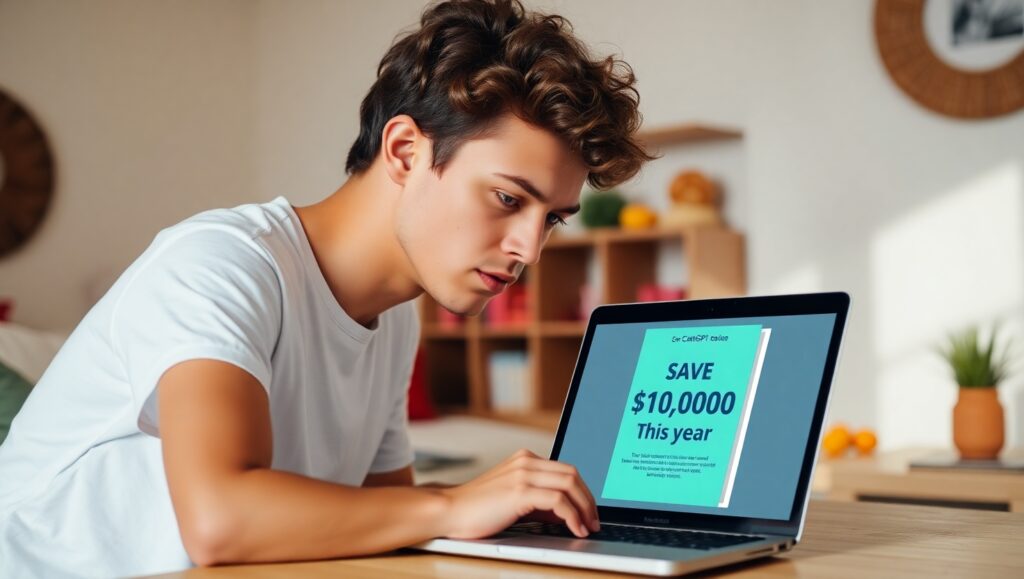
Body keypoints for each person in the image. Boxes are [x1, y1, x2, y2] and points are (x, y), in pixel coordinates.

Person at [0, 0, 652, 576]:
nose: (528, 250)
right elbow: (219, 517)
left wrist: (505, 519)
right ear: (403, 151)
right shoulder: (223, 263)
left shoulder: (394, 317)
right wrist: (456, 501)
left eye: (552, 220)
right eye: (509, 197)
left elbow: (385, 517)